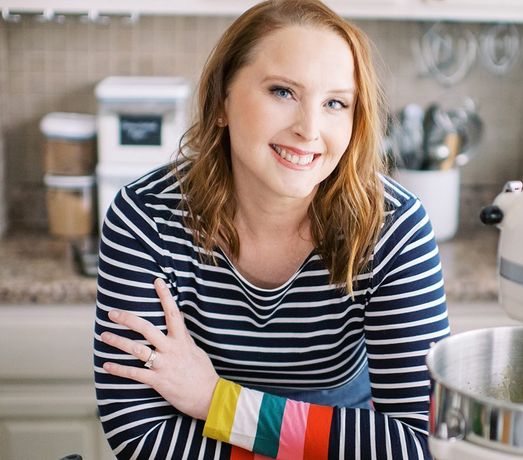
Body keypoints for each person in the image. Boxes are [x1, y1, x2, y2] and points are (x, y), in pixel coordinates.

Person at [93, 0, 450, 458]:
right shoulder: (146, 218)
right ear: (221, 99)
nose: (309, 129)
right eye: (283, 92)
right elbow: (138, 436)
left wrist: (216, 401)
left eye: (335, 103)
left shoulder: (394, 229)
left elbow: (419, 443)